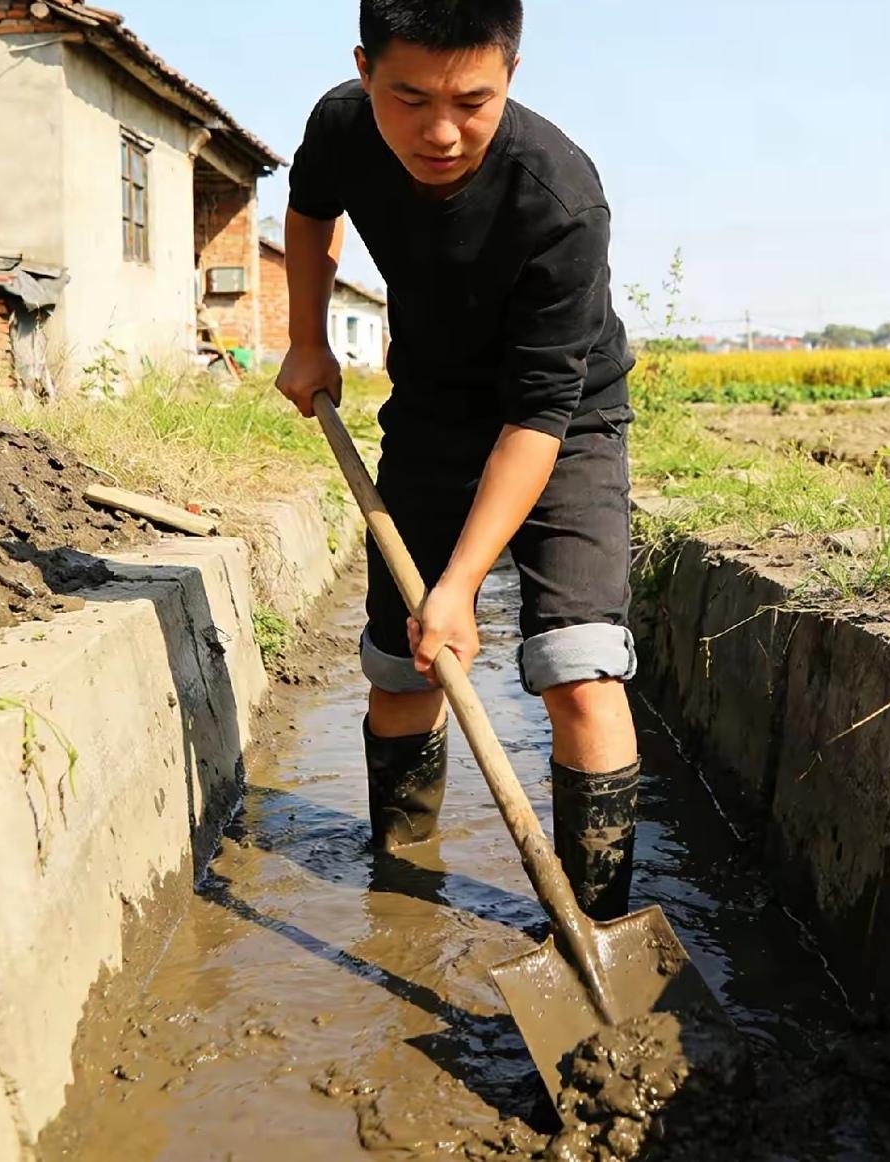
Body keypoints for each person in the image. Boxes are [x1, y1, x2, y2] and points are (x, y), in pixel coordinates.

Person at [276, 0, 639, 921]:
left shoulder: (560, 198)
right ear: (365, 70)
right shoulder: (341, 125)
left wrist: (463, 583)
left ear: (510, 74)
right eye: (409, 98)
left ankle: (593, 928)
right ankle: (402, 891)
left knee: (580, 667)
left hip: (565, 420)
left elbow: (539, 414)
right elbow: (310, 211)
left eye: (472, 101)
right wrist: (307, 340)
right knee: (402, 669)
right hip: (433, 409)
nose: (440, 132)